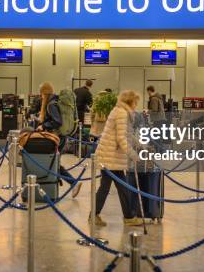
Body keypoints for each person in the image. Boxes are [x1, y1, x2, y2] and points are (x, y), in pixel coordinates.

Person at [92, 90, 143, 227]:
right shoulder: (122, 113)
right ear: (130, 101)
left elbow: (127, 134)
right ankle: (128, 217)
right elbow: (121, 138)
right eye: (135, 101)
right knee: (117, 187)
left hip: (111, 157)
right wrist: (133, 155)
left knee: (113, 187)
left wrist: (139, 145)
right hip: (111, 157)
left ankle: (126, 216)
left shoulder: (120, 111)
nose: (136, 104)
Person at [37, 82, 82, 198]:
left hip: (57, 138)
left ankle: (73, 183)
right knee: (54, 163)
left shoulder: (51, 104)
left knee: (54, 164)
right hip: (61, 137)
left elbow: (57, 122)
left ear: (44, 93)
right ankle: (69, 183)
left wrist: (44, 125)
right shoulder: (55, 102)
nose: (40, 97)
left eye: (41, 94)